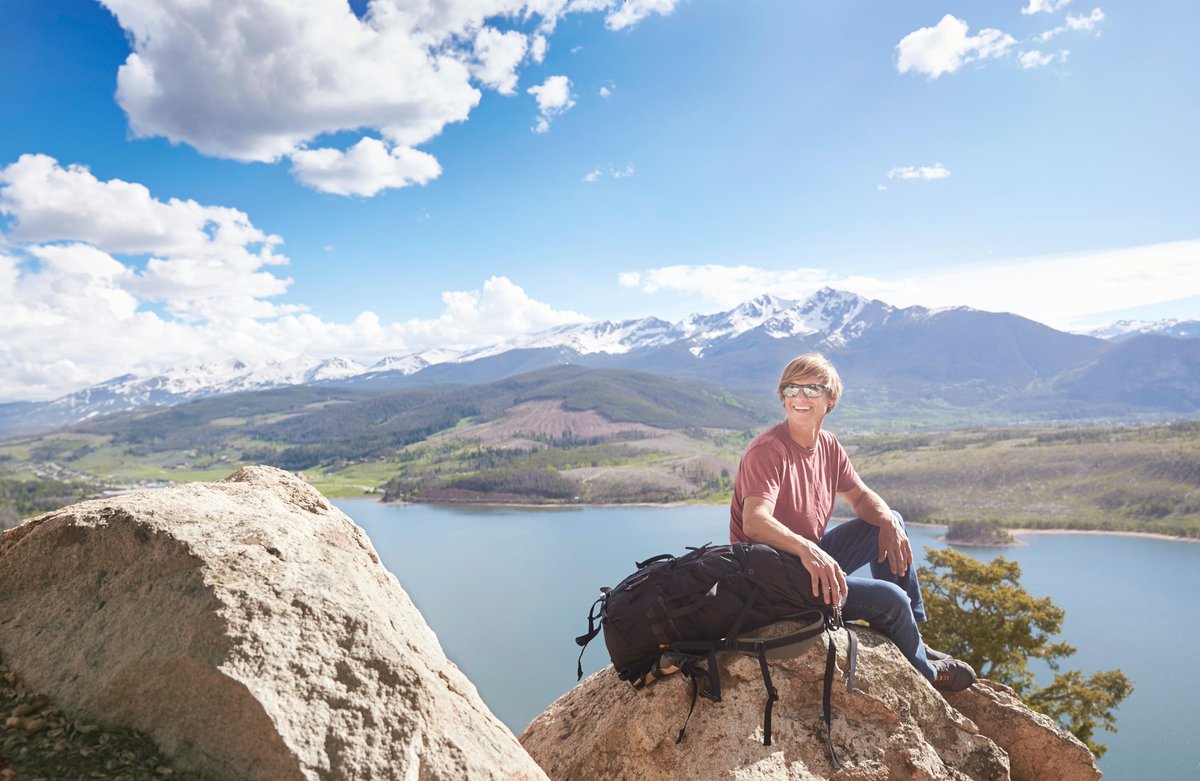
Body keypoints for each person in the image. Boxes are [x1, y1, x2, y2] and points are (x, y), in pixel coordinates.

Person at [728, 352, 976, 692]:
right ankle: (928, 674)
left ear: (830, 399)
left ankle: (914, 638)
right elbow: (755, 522)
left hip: (806, 561)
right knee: (891, 600)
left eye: (811, 389)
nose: (799, 397)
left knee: (889, 521)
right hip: (772, 581)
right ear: (782, 396)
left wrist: (887, 519)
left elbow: (860, 498)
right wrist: (807, 550)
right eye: (791, 388)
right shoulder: (768, 450)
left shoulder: (828, 445)